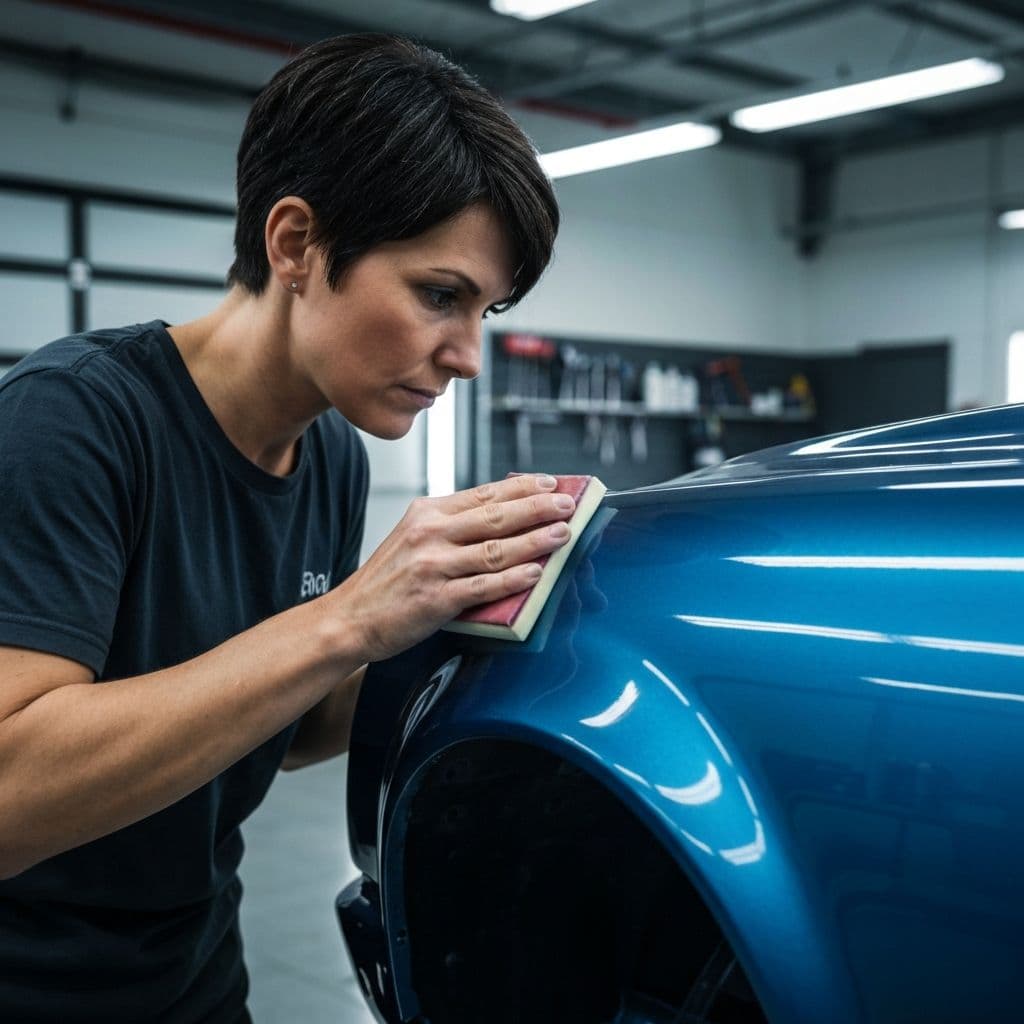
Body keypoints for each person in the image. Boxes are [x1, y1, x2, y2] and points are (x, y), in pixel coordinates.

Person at [0, 33, 568, 1023]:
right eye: (440, 295)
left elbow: (290, 727)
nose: (467, 356)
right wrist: (349, 620)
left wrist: (454, 625)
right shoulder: (72, 420)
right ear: (296, 243)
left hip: (191, 976)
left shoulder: (330, 452)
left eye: (486, 310)